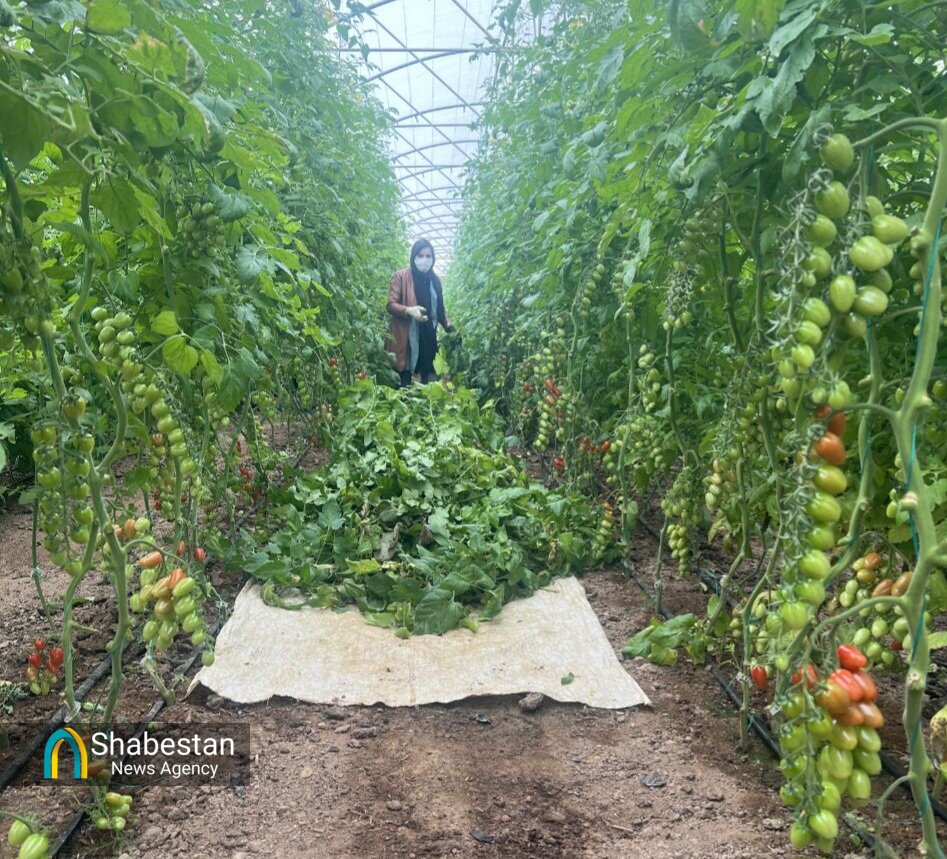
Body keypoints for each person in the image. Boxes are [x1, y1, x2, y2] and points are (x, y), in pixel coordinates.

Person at [386, 239, 455, 386]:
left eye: (428, 256)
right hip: (407, 340)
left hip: (428, 339)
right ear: (414, 257)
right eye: (420, 255)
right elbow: (390, 305)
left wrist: (448, 325)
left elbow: (439, 310)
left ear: (433, 258)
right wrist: (409, 310)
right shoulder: (401, 276)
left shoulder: (435, 281)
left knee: (428, 380)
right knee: (406, 381)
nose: (424, 260)